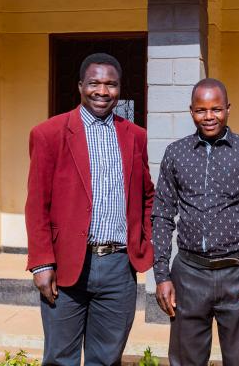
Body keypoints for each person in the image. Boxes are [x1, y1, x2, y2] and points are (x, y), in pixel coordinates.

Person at [25, 53, 155, 366]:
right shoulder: (49, 134)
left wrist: (145, 242)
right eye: (94, 83)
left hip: (119, 267)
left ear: (119, 89)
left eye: (111, 84)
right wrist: (41, 262)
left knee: (107, 358)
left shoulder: (135, 136)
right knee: (60, 358)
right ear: (81, 86)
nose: (102, 91)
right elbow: (37, 204)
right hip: (67, 264)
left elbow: (147, 195)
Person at [152, 78, 239, 366]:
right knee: (186, 361)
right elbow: (162, 214)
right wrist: (161, 275)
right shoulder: (176, 153)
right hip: (188, 274)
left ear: (228, 109)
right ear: (191, 111)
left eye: (216, 109)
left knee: (238, 360)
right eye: (201, 110)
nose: (209, 117)